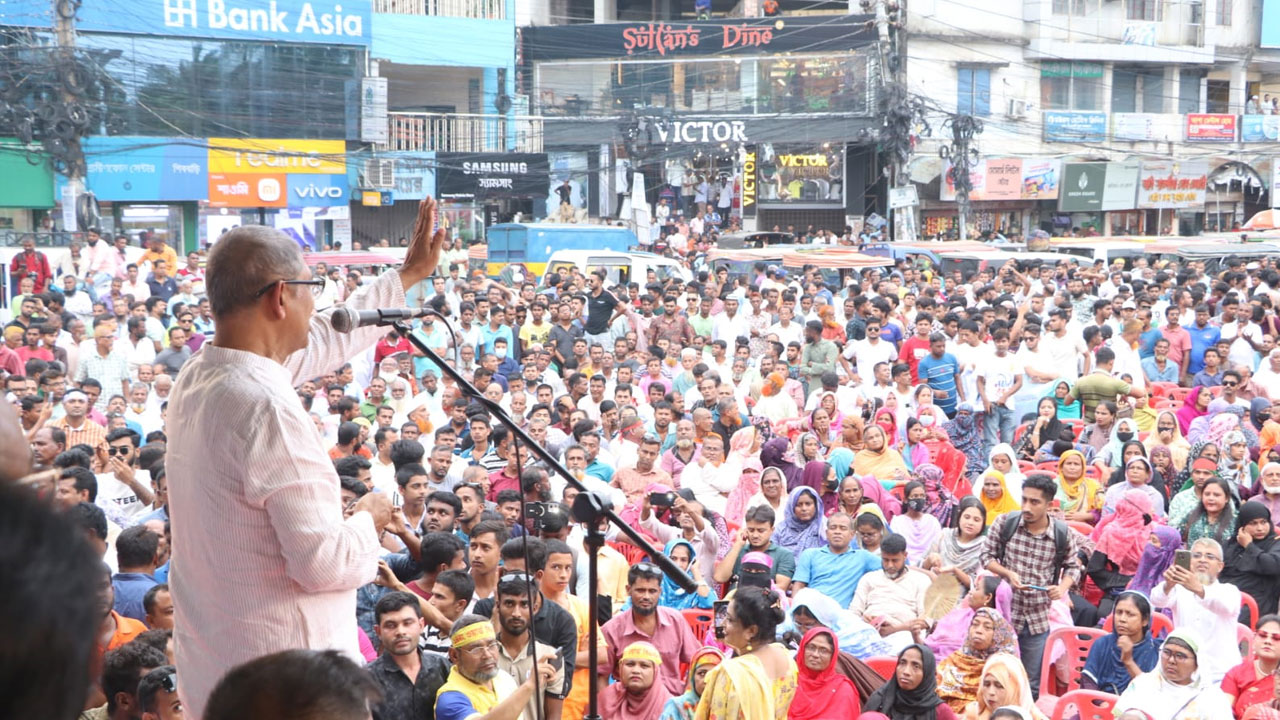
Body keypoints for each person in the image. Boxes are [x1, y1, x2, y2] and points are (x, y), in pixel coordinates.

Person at [166, 199, 445, 716]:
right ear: (279, 298)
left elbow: (318, 341)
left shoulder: (206, 373)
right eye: (311, 291)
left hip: (224, 662)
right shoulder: (265, 407)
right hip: (285, 681)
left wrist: (404, 279)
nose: (316, 307)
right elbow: (323, 563)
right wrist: (368, 519)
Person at [981, 472, 1082, 696]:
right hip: (1004, 614)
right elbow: (986, 557)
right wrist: (1008, 573)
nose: (1027, 506)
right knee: (995, 678)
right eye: (1024, 499)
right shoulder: (1006, 523)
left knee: (1029, 683)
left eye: (1034, 502)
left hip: (1036, 618)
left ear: (1049, 504)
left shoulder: (1061, 534)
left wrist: (1061, 588)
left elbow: (1074, 568)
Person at [694, 585, 797, 720]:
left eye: (730, 620)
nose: (722, 623)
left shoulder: (730, 673)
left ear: (751, 631)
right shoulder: (786, 658)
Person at [600, 562, 702, 696]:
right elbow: (600, 676)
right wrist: (609, 708)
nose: (646, 597)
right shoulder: (612, 630)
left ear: (660, 592)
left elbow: (699, 660)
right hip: (630, 706)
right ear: (628, 590)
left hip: (671, 702)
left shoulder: (675, 620)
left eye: (652, 591)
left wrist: (688, 699)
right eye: (640, 590)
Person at [1151, 537, 1242, 684]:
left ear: (1220, 566)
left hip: (1220, 675)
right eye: (1197, 555)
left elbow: (1223, 605)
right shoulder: (1180, 589)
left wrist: (1198, 589)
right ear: (1189, 561)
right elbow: (1157, 600)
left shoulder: (1229, 591)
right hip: (1183, 673)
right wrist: (1168, 584)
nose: (1202, 560)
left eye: (1209, 556)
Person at [434, 613, 557, 720]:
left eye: (492, 645)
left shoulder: (503, 678)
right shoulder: (449, 698)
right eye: (476, 649)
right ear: (454, 655)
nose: (487, 655)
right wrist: (529, 685)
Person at [1114, 628, 1234, 720]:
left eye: (1180, 656)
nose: (1171, 660)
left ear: (1197, 662)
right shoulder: (1142, 685)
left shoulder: (1212, 699)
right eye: (1167, 652)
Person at [366, 591, 450, 720]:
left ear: (421, 625)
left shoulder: (441, 667)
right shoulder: (366, 679)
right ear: (378, 632)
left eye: (407, 623)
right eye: (390, 625)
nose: (400, 631)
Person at [849, 533, 931, 651]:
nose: (890, 565)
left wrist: (895, 629)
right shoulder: (869, 578)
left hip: (904, 634)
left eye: (895, 560)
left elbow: (925, 620)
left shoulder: (921, 580)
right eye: (885, 560)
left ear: (905, 556)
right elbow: (853, 613)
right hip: (868, 633)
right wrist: (866, 620)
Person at [936, 608, 1020, 712]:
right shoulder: (955, 660)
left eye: (987, 627)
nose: (979, 630)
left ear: (998, 634)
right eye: (975, 625)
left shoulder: (1006, 666)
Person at [791, 511, 880, 607]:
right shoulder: (810, 554)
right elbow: (799, 586)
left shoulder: (863, 557)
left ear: (852, 534)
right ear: (826, 533)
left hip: (843, 615)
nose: (837, 532)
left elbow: (892, 568)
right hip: (812, 611)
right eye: (833, 528)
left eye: (843, 528)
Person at [1087, 490, 1155, 616]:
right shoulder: (1111, 532)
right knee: (1104, 615)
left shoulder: (1153, 532)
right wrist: (1124, 581)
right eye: (1149, 507)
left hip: (1150, 588)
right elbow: (1094, 569)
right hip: (1118, 589)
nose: (1153, 510)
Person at [1080, 591, 1161, 695]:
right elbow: (1088, 682)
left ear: (1145, 620)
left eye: (1130, 614)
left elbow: (1152, 693)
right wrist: (1100, 703)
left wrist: (1128, 661)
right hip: (1099, 706)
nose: (1122, 619)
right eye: (1118, 612)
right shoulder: (1102, 644)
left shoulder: (1155, 650)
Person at [1220, 501, 1280, 626]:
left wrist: (1249, 546)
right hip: (1227, 602)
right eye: (1253, 523)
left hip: (1259, 605)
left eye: (1264, 522)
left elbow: (1273, 565)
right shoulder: (1230, 545)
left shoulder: (1275, 543)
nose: (1260, 528)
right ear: (1242, 526)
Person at [860, 644, 957, 720]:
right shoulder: (880, 699)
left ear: (927, 673)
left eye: (916, 666)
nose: (906, 672)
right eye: (902, 663)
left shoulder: (940, 711)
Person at [790, 627, 862, 720]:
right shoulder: (789, 681)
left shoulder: (842, 689)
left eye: (823, 650)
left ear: (832, 656)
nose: (815, 655)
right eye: (811, 648)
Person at [1222, 615, 1280, 719]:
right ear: (1254, 638)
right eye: (1262, 635)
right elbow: (1223, 710)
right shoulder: (1237, 673)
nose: (1268, 641)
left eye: (1276, 638)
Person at [601, 641, 674, 720]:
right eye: (630, 664)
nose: (636, 670)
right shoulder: (607, 698)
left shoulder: (669, 706)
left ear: (655, 672)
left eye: (644, 666)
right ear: (620, 669)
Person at [960, 653, 1045, 720]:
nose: (991, 692)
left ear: (1015, 688)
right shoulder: (972, 715)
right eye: (986, 684)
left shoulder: (1035, 718)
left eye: (999, 686)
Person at [660, 647, 724, 720]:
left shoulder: (731, 707)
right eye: (702, 673)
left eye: (714, 675)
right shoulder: (677, 707)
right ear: (692, 677)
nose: (707, 680)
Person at [890, 481, 943, 564]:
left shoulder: (932, 521)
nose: (919, 499)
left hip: (930, 564)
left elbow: (938, 546)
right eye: (915, 496)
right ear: (906, 500)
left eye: (922, 496)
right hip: (905, 565)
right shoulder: (897, 522)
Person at [773, 486, 829, 558]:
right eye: (799, 505)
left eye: (808, 504)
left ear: (816, 505)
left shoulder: (824, 527)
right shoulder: (780, 530)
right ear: (792, 507)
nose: (804, 509)